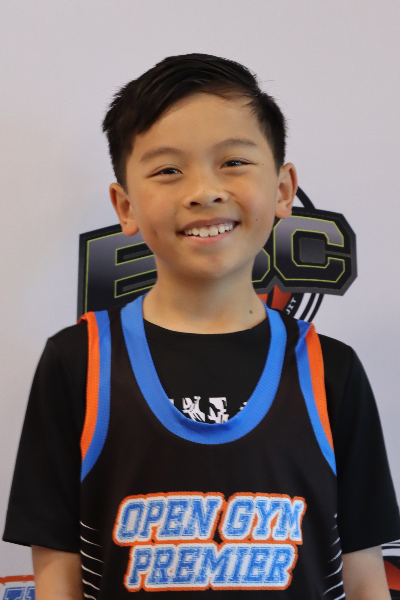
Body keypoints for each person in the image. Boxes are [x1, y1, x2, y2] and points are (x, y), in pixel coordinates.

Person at [3, 54, 400, 599]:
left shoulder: (331, 370)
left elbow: (364, 574)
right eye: (169, 170)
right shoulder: (79, 362)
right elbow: (56, 572)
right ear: (125, 205)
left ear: (284, 189)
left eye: (233, 161)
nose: (204, 191)